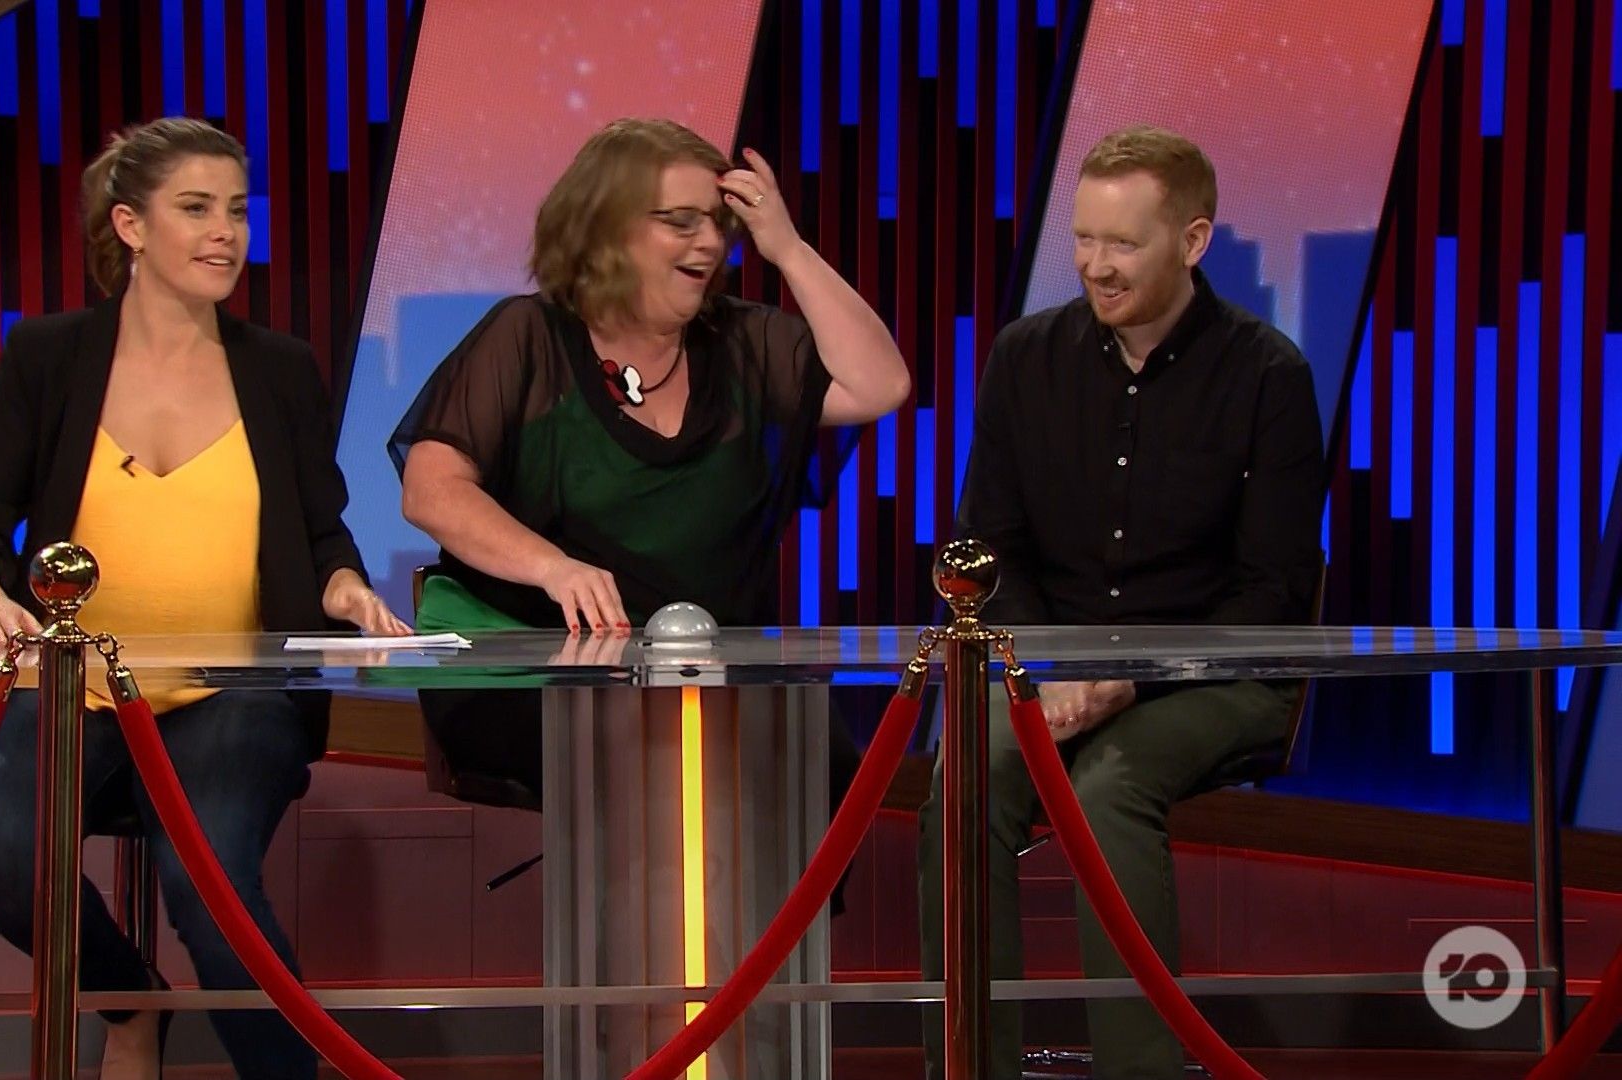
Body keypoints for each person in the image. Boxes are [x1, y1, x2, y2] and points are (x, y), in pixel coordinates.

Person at [0, 117, 407, 1080]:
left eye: (236, 210)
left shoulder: (280, 369)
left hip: (230, 694)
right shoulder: (50, 357)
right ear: (131, 225)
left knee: (208, 888)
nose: (226, 232)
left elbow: (322, 532)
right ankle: (130, 998)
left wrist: (347, 588)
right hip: (71, 686)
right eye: (196, 208)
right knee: (0, 858)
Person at [918, 126, 1326, 1079]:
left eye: (1123, 244)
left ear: (1193, 241)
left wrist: (1131, 680)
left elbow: (1272, 590)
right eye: (1084, 239)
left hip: (1215, 676)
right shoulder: (1026, 358)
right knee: (968, 777)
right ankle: (970, 1067)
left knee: (1107, 789)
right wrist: (1046, 668)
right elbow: (986, 551)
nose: (1096, 266)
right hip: (1045, 670)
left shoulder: (1268, 376)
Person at [388, 117, 911, 809]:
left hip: (697, 666)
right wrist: (554, 568)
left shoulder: (742, 344)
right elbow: (431, 490)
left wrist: (787, 248)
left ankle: (744, 890)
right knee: (658, 752)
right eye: (681, 221)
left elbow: (880, 385)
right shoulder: (531, 338)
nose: (710, 241)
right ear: (607, 229)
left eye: (718, 222)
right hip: (529, 657)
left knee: (816, 754)